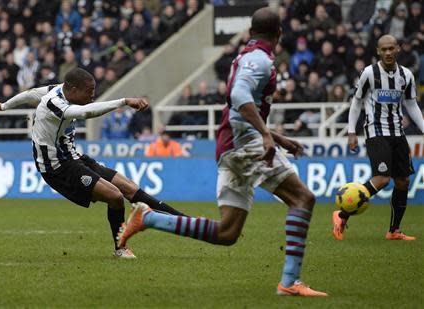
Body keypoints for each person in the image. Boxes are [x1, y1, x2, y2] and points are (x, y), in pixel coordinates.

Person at [116, 8, 328, 297]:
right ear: (280, 34)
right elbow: (239, 97)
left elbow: (237, 106)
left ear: (250, 32)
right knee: (303, 198)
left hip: (231, 145)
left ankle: (149, 218)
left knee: (227, 233)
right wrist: (266, 134)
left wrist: (277, 137)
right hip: (245, 145)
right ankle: (290, 281)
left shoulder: (246, 57)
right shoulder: (260, 60)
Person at [0, 68, 188, 259]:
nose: (92, 96)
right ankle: (120, 248)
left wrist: (3, 106)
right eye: (89, 92)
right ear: (72, 89)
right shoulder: (55, 104)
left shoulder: (56, 90)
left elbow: (30, 93)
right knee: (115, 196)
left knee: (130, 188)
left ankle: (186, 222)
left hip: (73, 157)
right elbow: (86, 112)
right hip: (57, 167)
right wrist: (124, 101)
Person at [332, 35, 424, 241]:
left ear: (398, 49)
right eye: (384, 49)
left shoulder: (406, 75)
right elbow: (356, 103)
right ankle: (341, 214)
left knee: (403, 181)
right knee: (382, 179)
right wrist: (351, 132)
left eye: (392, 48)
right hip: (376, 132)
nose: (388, 52)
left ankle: (394, 230)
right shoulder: (369, 73)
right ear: (378, 51)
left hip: (398, 134)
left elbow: (411, 104)